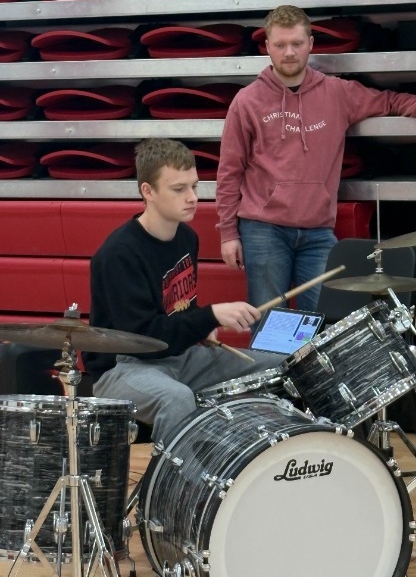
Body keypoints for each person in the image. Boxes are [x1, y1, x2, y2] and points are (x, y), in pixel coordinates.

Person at [216, 5, 416, 313]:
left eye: (297, 43)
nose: (289, 52)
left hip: (318, 231)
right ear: (268, 47)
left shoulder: (337, 92)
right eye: (281, 45)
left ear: (310, 44)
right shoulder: (247, 101)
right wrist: (228, 233)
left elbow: (388, 101)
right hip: (263, 230)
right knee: (268, 323)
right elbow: (229, 171)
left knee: (325, 322)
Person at [82, 138, 284, 446]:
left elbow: (179, 308)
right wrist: (210, 316)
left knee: (279, 365)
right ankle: (173, 477)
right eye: (179, 189)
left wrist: (201, 328)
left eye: (195, 186)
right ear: (148, 191)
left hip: (178, 356)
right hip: (123, 367)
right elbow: (144, 338)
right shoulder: (118, 255)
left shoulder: (187, 237)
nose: (192, 198)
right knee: (176, 398)